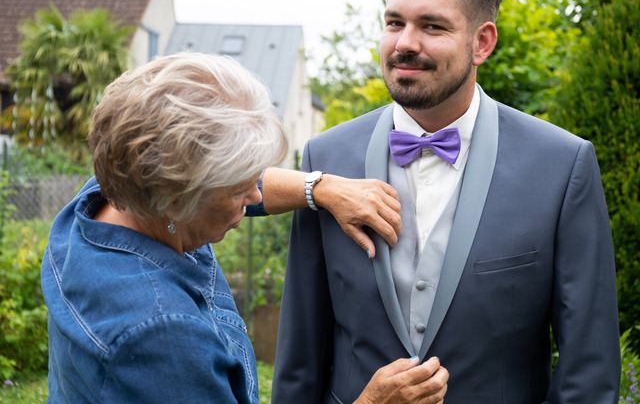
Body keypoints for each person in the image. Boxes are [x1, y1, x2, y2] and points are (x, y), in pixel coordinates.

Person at [272, 0, 620, 404]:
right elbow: (300, 358)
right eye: (394, 23)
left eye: (432, 27)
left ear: (482, 42)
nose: (405, 43)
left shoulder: (561, 166)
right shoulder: (325, 159)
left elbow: (588, 372)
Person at [41, 52, 448, 403]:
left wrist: (320, 187)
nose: (255, 195)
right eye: (239, 189)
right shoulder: (163, 335)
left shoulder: (114, 192)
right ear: (178, 200)